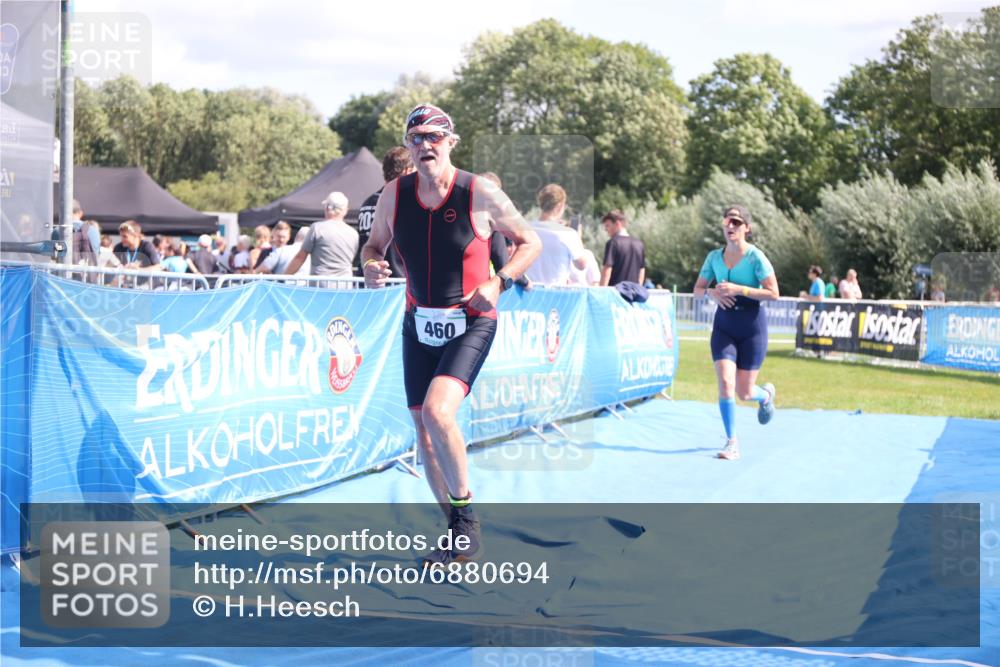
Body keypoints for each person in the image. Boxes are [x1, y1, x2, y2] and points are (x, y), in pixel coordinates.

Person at [361, 103, 541, 566]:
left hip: (471, 319)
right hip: (418, 321)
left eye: (434, 136)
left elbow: (530, 241)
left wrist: (499, 281)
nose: (425, 145)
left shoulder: (478, 191)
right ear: (408, 146)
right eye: (416, 138)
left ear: (451, 142)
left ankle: (466, 522)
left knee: (439, 413)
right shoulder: (393, 195)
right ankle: (457, 530)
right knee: (423, 435)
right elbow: (373, 246)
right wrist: (371, 265)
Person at [693, 205, 780, 461]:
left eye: (736, 222)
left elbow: (774, 293)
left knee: (744, 392)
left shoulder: (755, 257)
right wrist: (712, 292)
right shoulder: (713, 257)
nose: (730, 226)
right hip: (724, 327)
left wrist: (739, 289)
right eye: (727, 222)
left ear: (747, 228)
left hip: (752, 327)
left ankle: (765, 395)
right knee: (726, 382)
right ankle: (732, 442)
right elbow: (697, 290)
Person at [356, 147, 414, 278]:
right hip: (393, 280)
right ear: (408, 171)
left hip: (368, 277)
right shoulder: (402, 202)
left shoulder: (367, 202)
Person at [523, 183, 588, 286]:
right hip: (556, 292)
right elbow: (582, 265)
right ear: (560, 206)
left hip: (529, 291)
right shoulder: (568, 234)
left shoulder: (525, 229)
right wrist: (578, 238)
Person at [285, 192, 358, 279]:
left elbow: (300, 258)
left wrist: (283, 278)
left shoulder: (317, 228)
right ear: (345, 210)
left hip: (320, 284)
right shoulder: (354, 233)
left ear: (327, 208)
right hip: (345, 283)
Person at [600, 210, 645, 286]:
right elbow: (641, 270)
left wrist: (601, 290)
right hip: (633, 291)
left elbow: (607, 269)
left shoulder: (613, 243)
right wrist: (638, 288)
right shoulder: (639, 244)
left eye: (607, 225)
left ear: (617, 223)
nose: (605, 229)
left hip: (616, 291)